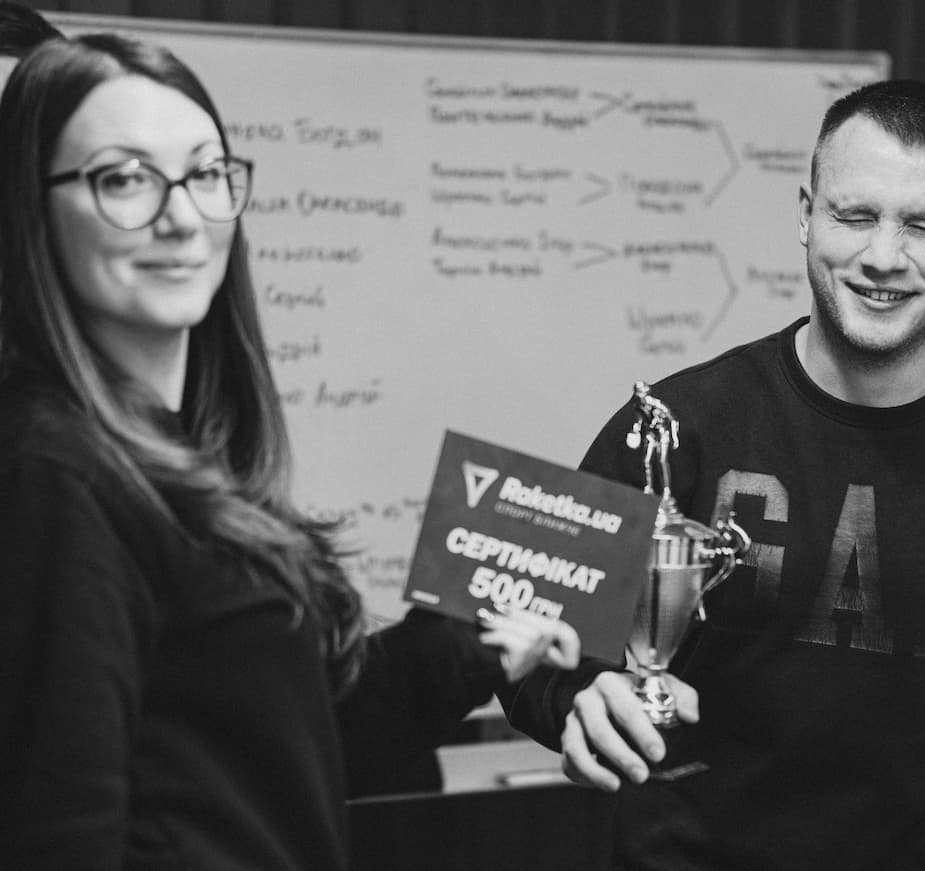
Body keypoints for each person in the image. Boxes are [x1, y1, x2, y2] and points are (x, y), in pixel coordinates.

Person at [503, 79, 925, 870]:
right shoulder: (673, 427)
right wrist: (575, 702)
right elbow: (525, 636)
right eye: (854, 215)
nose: (884, 255)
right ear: (805, 213)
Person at [0, 10, 581, 869]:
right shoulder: (59, 469)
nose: (181, 218)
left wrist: (470, 640)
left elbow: (264, 755)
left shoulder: (162, 450)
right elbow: (63, 835)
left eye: (205, 174)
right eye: (124, 180)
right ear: (33, 206)